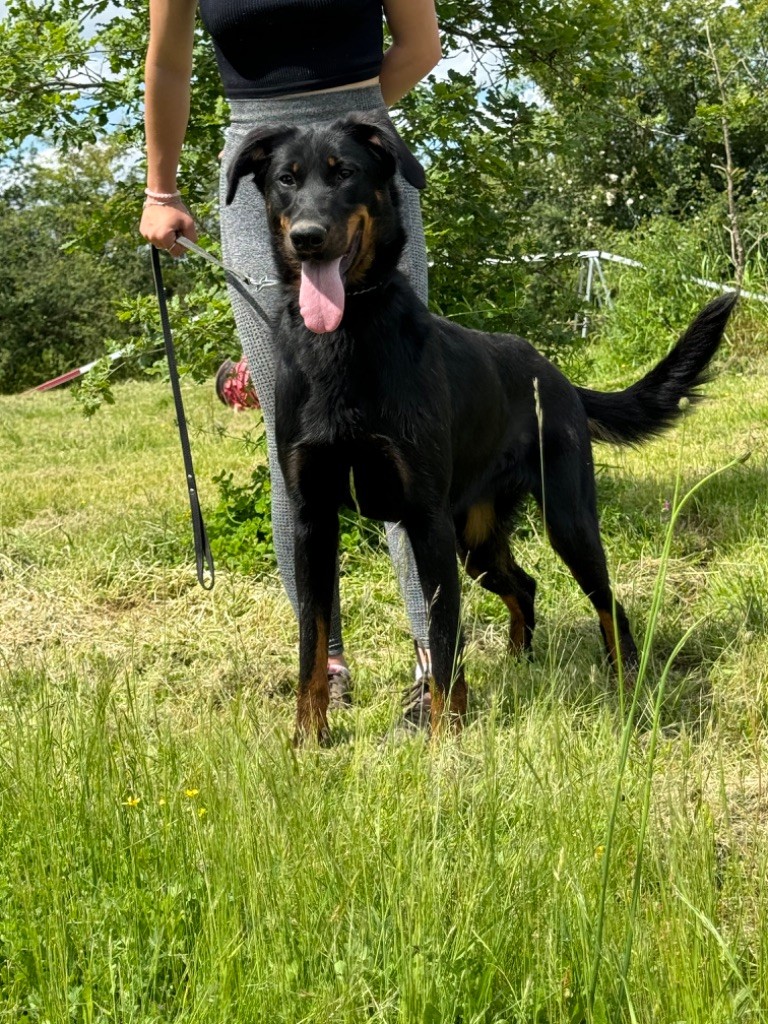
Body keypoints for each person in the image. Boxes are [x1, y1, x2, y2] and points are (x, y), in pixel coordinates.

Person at [139, 0, 442, 728]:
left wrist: (343, 134)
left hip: (363, 164)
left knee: (406, 428)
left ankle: (433, 660)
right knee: (294, 433)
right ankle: (322, 664)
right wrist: (161, 189)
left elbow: (421, 45)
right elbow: (169, 66)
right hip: (260, 171)